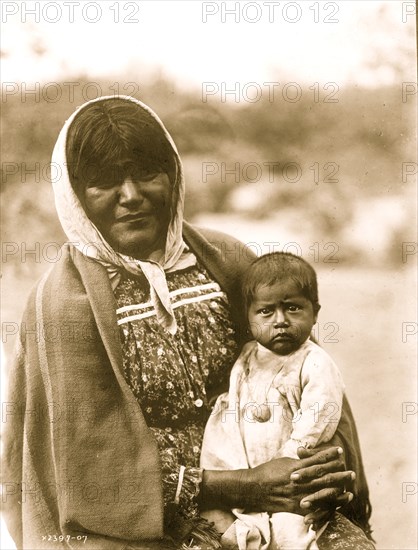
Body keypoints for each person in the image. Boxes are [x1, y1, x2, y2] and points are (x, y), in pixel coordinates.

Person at [2, 96, 374, 550]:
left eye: (146, 173)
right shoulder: (63, 306)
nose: (131, 195)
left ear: (173, 175)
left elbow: (308, 371)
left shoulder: (229, 261)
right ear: (75, 196)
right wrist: (242, 485)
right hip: (140, 524)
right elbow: (87, 470)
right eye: (103, 182)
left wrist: (312, 472)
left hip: (281, 492)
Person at [201, 252, 350, 549]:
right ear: (249, 316)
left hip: (290, 476)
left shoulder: (313, 363)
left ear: (315, 312)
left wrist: (291, 461)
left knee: (292, 533)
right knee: (222, 525)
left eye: (293, 308)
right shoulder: (246, 357)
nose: (280, 321)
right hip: (248, 473)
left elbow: (319, 415)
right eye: (266, 312)